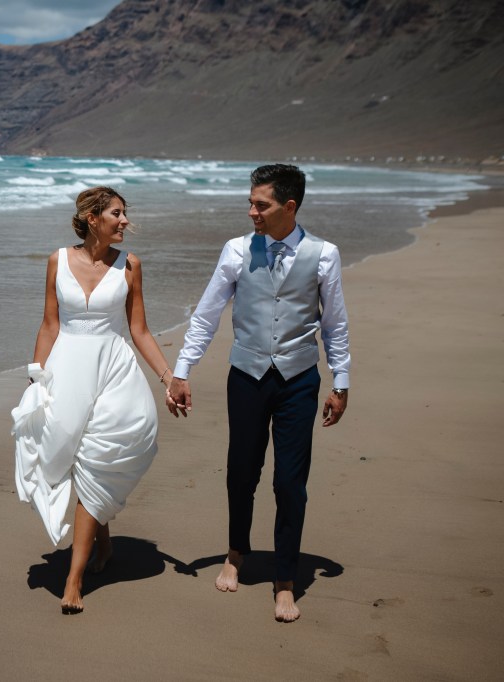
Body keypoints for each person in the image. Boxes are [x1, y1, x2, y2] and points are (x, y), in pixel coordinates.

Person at [165, 164, 350, 622]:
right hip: (246, 375)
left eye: (260, 204)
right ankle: (235, 552)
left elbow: (335, 326)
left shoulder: (324, 254)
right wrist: (181, 372)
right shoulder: (235, 250)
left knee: (290, 482)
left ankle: (285, 580)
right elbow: (207, 316)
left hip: (300, 379)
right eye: (250, 202)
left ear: (289, 207)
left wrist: (340, 382)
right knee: (241, 471)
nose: (252, 212)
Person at [12, 186, 178, 615]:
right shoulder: (57, 260)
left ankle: (74, 578)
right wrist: (35, 378)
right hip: (67, 370)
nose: (125, 222)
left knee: (98, 454)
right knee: (72, 455)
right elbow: (49, 324)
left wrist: (167, 377)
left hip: (114, 373)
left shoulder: (130, 266)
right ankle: (103, 543)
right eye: (117, 214)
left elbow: (139, 330)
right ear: (92, 218)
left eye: (125, 214)